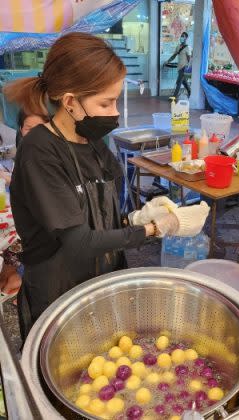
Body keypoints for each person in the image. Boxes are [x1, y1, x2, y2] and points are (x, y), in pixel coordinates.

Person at [3, 32, 209, 338]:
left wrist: (138, 217)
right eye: (106, 102)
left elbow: (104, 217)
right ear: (71, 102)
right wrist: (155, 228)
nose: (116, 112)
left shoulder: (96, 144)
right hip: (59, 295)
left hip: (103, 282)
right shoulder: (39, 152)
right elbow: (79, 242)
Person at [164, 31, 192, 98]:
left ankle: (174, 97)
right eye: (181, 36)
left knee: (178, 82)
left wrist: (189, 69)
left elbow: (189, 59)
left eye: (183, 36)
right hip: (179, 68)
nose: (181, 38)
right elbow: (174, 56)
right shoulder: (178, 47)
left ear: (186, 38)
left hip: (184, 68)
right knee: (184, 82)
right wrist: (168, 61)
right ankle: (190, 93)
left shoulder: (187, 48)